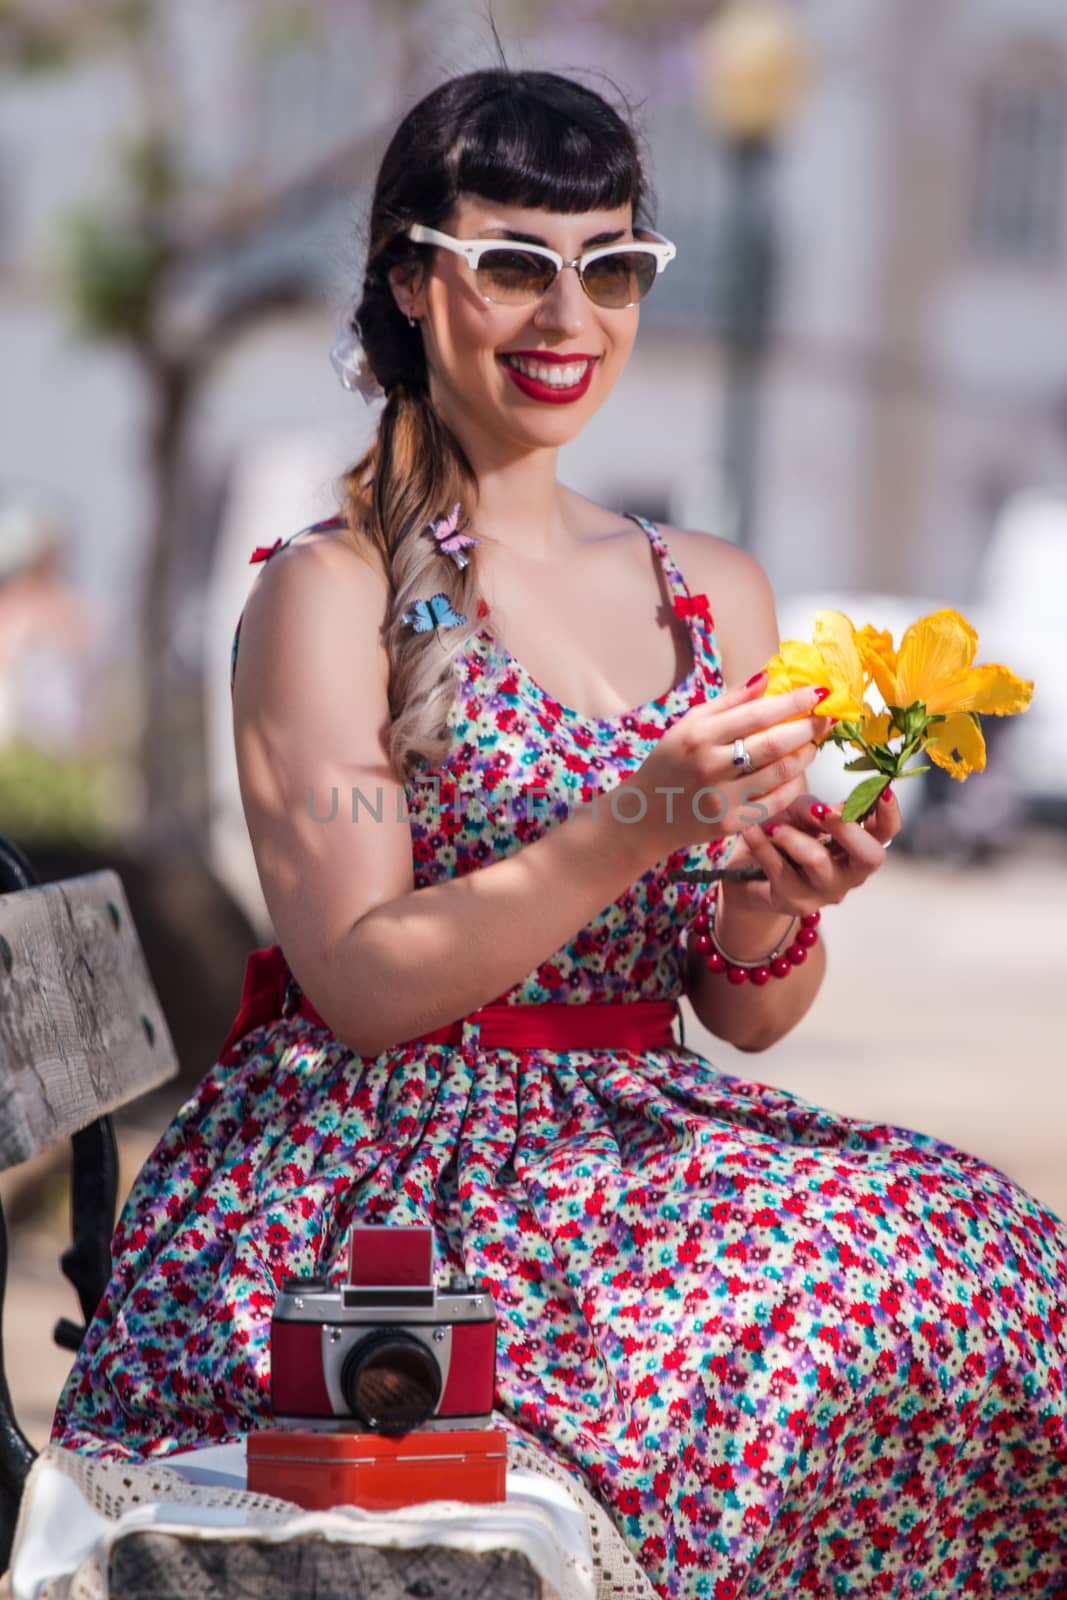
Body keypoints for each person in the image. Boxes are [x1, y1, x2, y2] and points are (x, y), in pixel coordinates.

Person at [51, 67, 1067, 1599]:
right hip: (384, 1180)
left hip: (637, 1146)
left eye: (612, 267)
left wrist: (777, 901)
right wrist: (636, 818)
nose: (566, 317)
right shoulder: (328, 594)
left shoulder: (711, 587)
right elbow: (368, 987)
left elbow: (747, 1010)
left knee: (996, 1259)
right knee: (830, 1303)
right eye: (514, 264)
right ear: (410, 280)